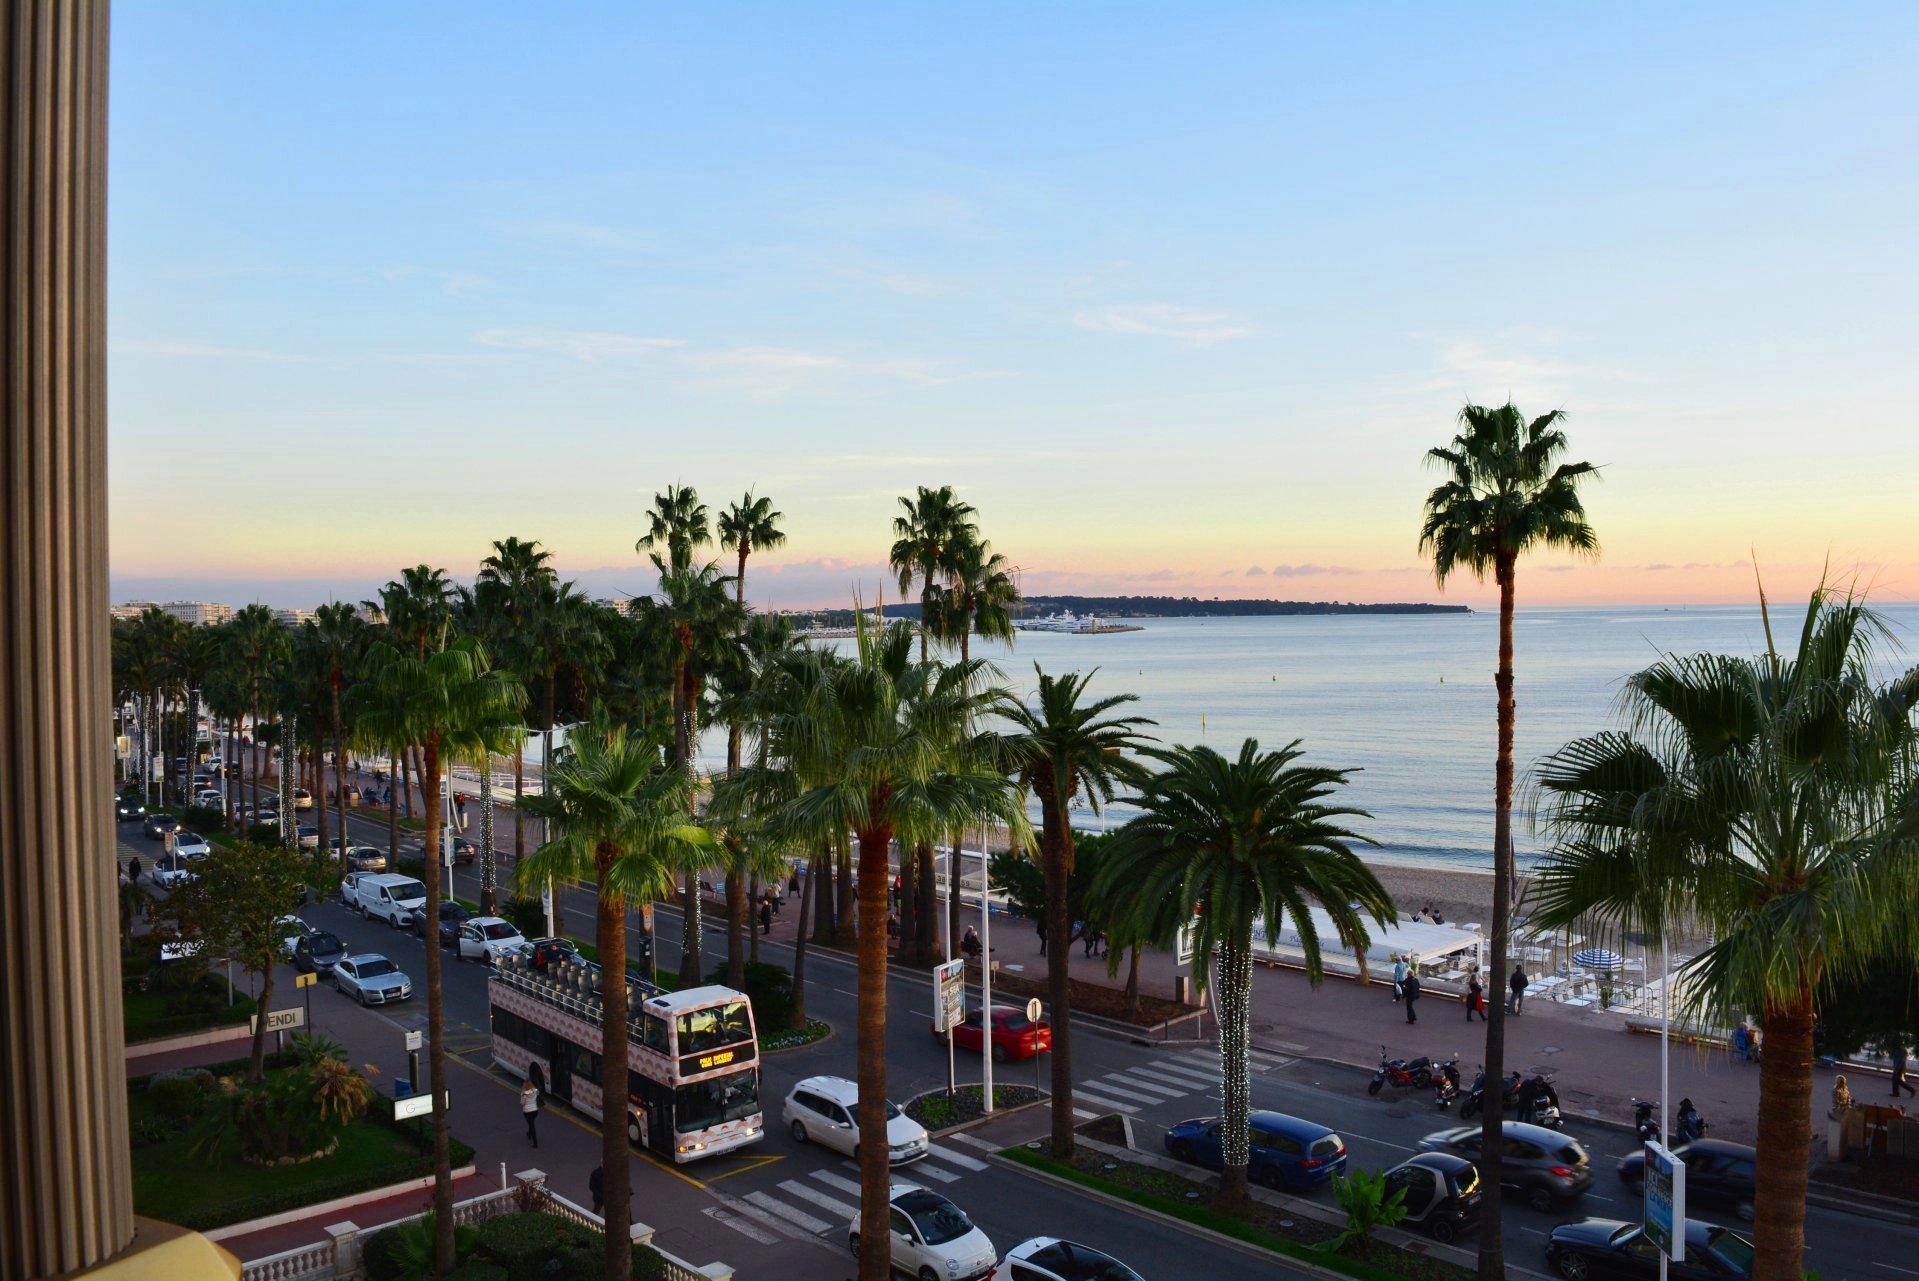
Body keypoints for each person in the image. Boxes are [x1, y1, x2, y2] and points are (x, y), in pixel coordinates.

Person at [520, 1079, 541, 1148]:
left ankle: (535, 1143)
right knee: (531, 1123)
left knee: (532, 1125)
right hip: (535, 1111)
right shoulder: (536, 1090)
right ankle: (529, 1133)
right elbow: (538, 1096)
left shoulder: (524, 1094)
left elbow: (522, 1103)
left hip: (527, 1112)